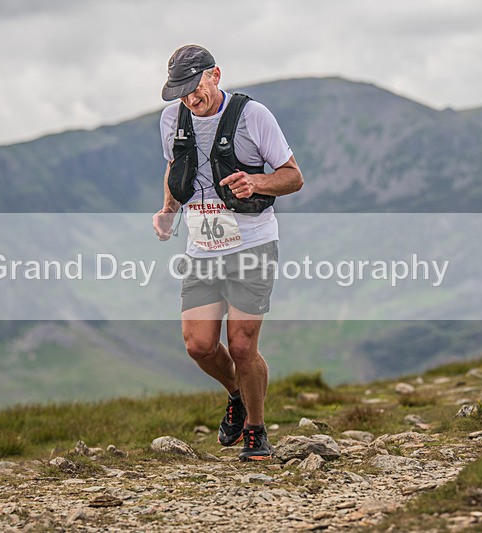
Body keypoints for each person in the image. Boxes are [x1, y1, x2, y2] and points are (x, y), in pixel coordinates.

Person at [153, 44, 303, 461]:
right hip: (201, 246)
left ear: (215, 75)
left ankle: (256, 429)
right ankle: (237, 393)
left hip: (252, 243)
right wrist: (168, 210)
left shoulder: (254, 116)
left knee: (241, 346)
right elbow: (174, 167)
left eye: (194, 87)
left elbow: (293, 177)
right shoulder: (171, 119)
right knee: (199, 345)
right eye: (180, 92)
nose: (189, 98)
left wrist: (256, 183)